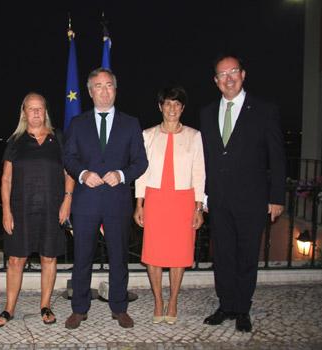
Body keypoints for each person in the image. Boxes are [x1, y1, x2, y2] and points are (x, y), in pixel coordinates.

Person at [200, 55, 285, 332]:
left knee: (247, 255)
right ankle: (225, 305)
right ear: (216, 81)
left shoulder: (264, 110)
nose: (228, 78)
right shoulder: (207, 112)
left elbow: (277, 157)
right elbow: (207, 158)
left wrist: (277, 197)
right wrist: (205, 196)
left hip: (252, 199)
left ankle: (242, 308)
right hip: (219, 201)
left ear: (243, 74)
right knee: (222, 254)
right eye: (222, 74)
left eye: (233, 71)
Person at [63, 68, 148, 329]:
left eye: (109, 85)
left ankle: (119, 307)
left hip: (117, 202)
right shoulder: (78, 124)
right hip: (86, 202)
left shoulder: (131, 123)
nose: (104, 90)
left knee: (119, 256)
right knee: (82, 257)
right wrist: (83, 173)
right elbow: (68, 158)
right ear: (89, 92)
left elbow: (141, 162)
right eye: (98, 86)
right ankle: (79, 308)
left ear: (115, 89)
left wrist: (122, 175)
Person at [0, 92, 75, 328]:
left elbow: (69, 173)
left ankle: (45, 305)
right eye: (31, 108)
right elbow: (6, 180)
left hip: (52, 210)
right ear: (24, 112)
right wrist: (6, 211)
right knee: (16, 260)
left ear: (45, 111)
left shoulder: (58, 138)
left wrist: (67, 200)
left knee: (49, 258)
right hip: (21, 210)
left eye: (40, 108)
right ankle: (9, 309)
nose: (36, 112)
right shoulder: (15, 141)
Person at [134, 86, 205, 325]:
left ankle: (173, 301)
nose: (172, 109)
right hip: (155, 199)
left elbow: (199, 174)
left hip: (183, 201)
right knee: (153, 255)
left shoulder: (194, 136)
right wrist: (139, 204)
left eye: (177, 104)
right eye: (168, 103)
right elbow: (141, 173)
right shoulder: (148, 135)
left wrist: (198, 208)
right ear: (160, 106)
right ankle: (157, 301)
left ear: (183, 108)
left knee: (178, 254)